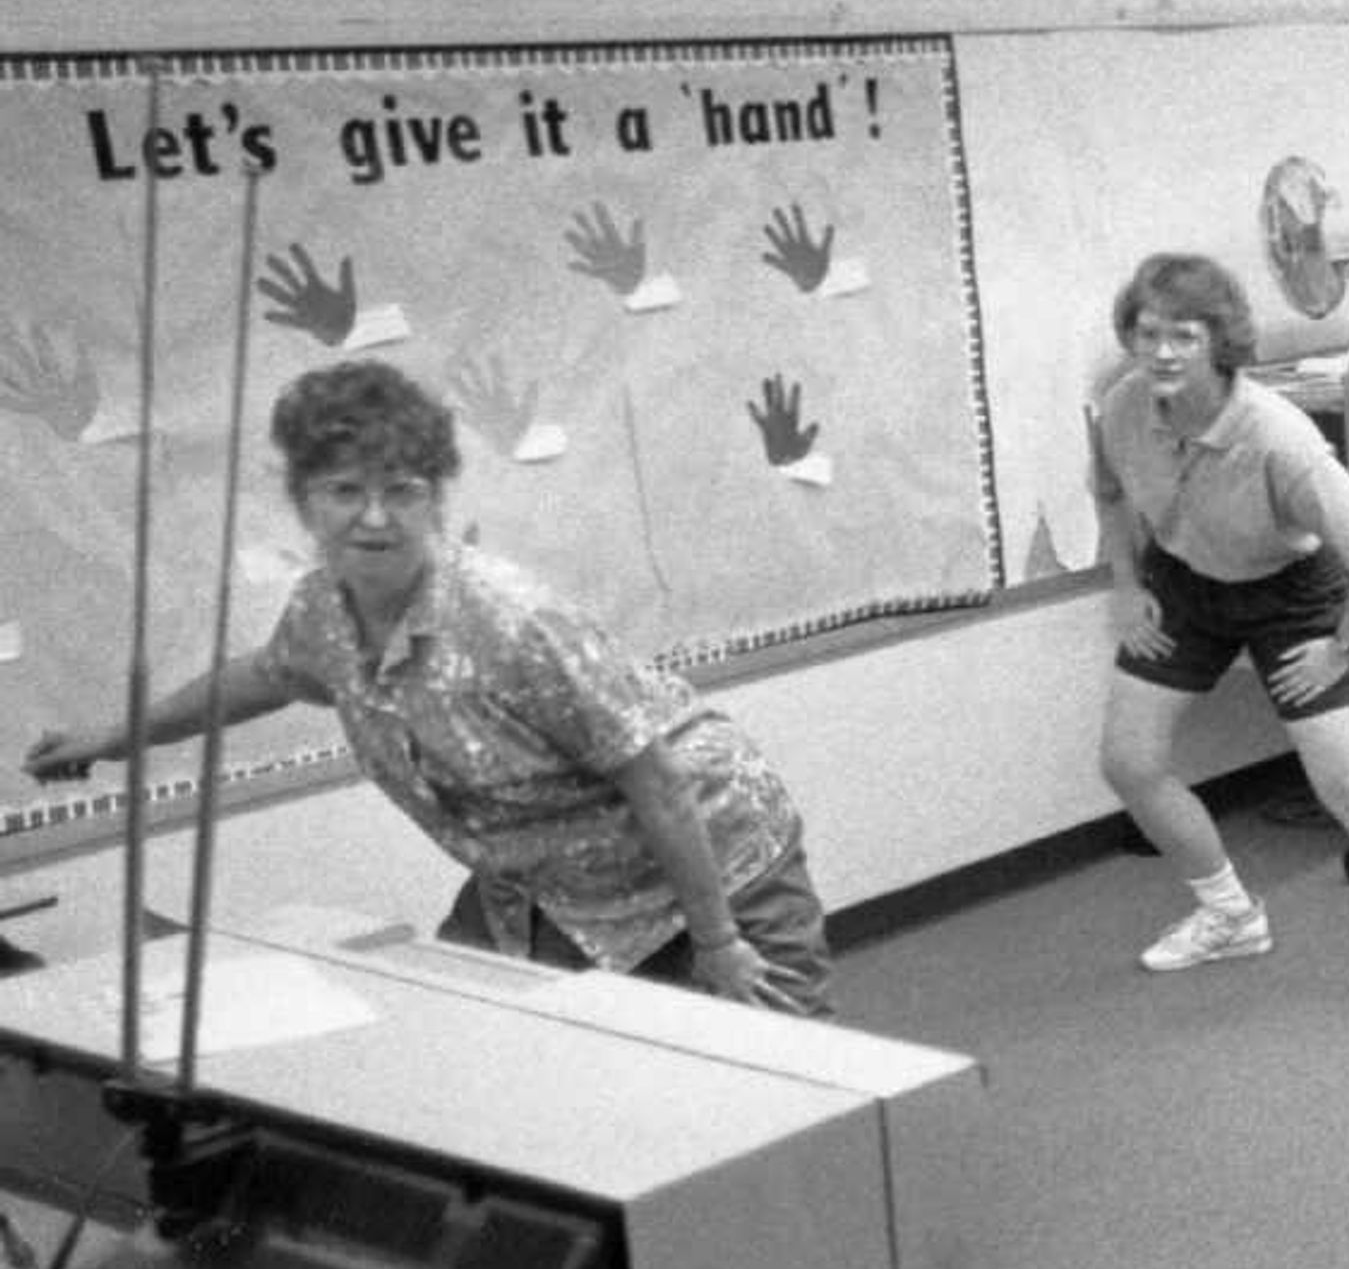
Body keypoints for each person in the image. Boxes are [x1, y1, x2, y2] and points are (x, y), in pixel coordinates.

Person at [22, 360, 832, 1016]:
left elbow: (656, 782)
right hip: (547, 876)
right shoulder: (322, 609)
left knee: (792, 1078)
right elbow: (264, 677)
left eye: (401, 490)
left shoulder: (513, 623)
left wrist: (718, 942)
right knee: (469, 1035)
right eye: (345, 491)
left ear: (434, 497)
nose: (374, 519)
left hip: (713, 852)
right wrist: (116, 736)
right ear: (305, 502)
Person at [1086, 252, 1349, 1039]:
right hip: (1183, 581)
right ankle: (1229, 914)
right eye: (1147, 334)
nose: (1164, 352)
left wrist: (1342, 648)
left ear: (1220, 342)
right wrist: (1125, 581)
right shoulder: (1123, 406)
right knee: (1129, 763)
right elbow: (1108, 491)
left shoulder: (1279, 437)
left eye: (1185, 334)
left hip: (1290, 592)